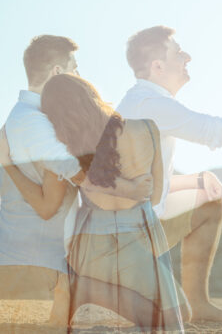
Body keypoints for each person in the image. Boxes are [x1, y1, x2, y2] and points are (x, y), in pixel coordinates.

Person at [0, 35, 150, 334]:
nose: (80, 76)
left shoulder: (35, 118)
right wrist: (131, 190)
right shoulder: (33, 122)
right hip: (28, 265)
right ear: (58, 72)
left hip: (33, 262)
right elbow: (72, 171)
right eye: (76, 69)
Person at [117, 26, 222, 322]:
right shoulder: (155, 106)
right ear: (157, 66)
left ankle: (192, 302)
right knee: (210, 205)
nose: (187, 56)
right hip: (135, 236)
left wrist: (195, 180)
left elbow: (142, 181)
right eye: (178, 52)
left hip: (119, 224)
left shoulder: (134, 102)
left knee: (204, 190)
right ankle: (198, 304)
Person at [41, 73, 187, 332]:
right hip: (141, 236)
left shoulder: (68, 150)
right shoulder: (147, 128)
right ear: (91, 97)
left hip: (92, 243)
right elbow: (154, 196)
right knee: (159, 322)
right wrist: (131, 189)